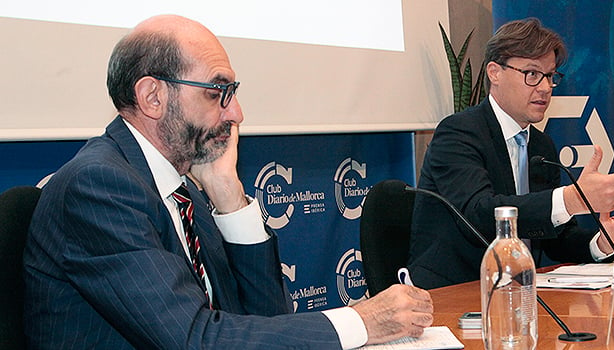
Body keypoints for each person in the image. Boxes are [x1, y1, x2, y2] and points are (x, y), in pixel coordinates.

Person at [23, 15, 432, 349]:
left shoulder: (181, 185)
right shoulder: (99, 186)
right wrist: (361, 322)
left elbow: (266, 317)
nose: (236, 112)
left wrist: (228, 195)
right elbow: (193, 340)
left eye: (232, 92)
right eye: (218, 90)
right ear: (152, 97)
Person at [408, 18, 614, 289]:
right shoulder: (458, 133)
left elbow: (553, 236)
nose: (545, 88)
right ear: (495, 72)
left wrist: (601, 243)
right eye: (532, 74)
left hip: (520, 293)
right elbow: (479, 216)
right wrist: (571, 199)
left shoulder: (541, 146)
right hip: (455, 292)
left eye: (550, 76)